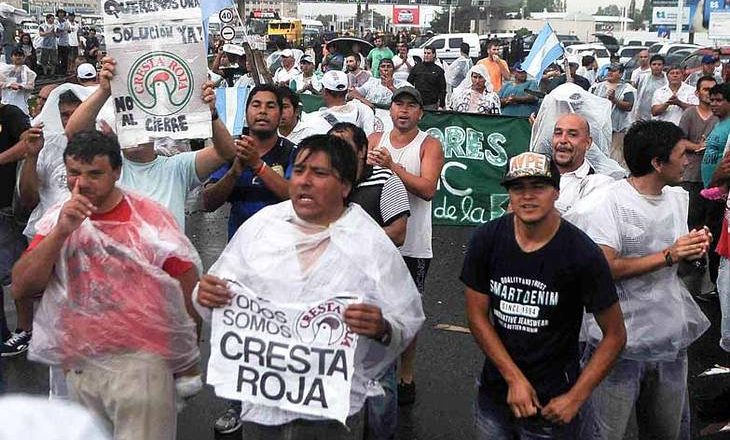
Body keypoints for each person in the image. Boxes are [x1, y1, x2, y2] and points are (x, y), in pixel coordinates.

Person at [196, 134, 425, 439]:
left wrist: (382, 327)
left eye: (318, 173)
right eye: (299, 170)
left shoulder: (369, 244)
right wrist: (208, 295)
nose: (304, 181)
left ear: (344, 186)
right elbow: (219, 296)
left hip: (332, 411)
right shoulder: (263, 228)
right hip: (264, 402)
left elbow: (405, 321)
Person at [12, 129, 202, 440]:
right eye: (74, 173)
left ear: (116, 171)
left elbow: (186, 287)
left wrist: (187, 355)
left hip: (141, 366)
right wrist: (61, 233)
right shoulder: (58, 219)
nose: (82, 183)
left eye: (94, 173)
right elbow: (22, 286)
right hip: (79, 365)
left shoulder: (149, 219)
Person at [462, 150, 625, 438]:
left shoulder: (582, 253)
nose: (528, 196)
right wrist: (514, 379)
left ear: (556, 192)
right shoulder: (486, 239)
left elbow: (614, 335)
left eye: (538, 186)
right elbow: (477, 315)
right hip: (495, 392)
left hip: (554, 401)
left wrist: (575, 398)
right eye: (518, 188)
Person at [567, 120, 712, 439]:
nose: (687, 161)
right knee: (604, 433)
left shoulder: (676, 199)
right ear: (657, 163)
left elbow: (680, 270)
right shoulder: (609, 203)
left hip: (669, 337)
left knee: (666, 432)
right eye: (681, 154)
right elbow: (602, 268)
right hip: (617, 342)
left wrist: (694, 252)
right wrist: (669, 254)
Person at [329, 122, 409, 440]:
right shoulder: (327, 183)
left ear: (363, 151)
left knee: (379, 385)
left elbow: (399, 233)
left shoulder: (386, 180)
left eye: (345, 146)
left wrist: (351, 239)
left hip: (377, 299)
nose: (337, 153)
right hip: (334, 298)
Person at [367, 86, 444, 405]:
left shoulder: (429, 145)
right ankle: (370, 369)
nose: (403, 110)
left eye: (411, 106)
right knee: (371, 308)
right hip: (375, 242)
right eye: (398, 104)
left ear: (420, 114)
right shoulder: (373, 140)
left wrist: (391, 167)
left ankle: (406, 374)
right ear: (390, 109)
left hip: (413, 245)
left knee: (408, 314)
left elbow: (427, 189)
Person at [0, 102, 32, 359]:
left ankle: (25, 330)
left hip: (6, 209)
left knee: (19, 275)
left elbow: (30, 142)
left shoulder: (9, 113)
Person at [679, 77, 719, 254]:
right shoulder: (689, 114)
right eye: (705, 89)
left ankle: (707, 253)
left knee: (710, 219)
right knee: (692, 218)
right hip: (692, 174)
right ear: (697, 92)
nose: (709, 93)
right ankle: (693, 256)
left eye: (712, 89)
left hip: (713, 177)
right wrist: (697, 147)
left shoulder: (720, 116)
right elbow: (680, 140)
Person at [551, 114, 615, 214]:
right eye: (558, 133)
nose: (563, 140)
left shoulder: (597, 186)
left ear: (588, 143)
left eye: (572, 135)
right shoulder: (535, 174)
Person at [591, 64, 635, 166]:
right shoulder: (597, 87)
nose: (610, 73)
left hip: (617, 130)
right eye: (609, 70)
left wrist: (614, 100)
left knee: (616, 157)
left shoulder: (627, 89)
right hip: (599, 129)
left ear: (620, 74)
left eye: (614, 71)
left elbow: (629, 106)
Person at [312, 70, 375, 134]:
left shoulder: (315, 119)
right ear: (347, 90)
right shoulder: (364, 109)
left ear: (324, 91)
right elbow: (371, 138)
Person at [407, 46, 446, 110]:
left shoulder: (438, 70)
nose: (426, 55)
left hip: (432, 104)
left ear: (433, 55)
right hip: (417, 103)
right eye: (425, 53)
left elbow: (442, 89)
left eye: (428, 53)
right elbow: (409, 83)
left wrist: (441, 105)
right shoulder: (417, 68)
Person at [0, 49, 37, 116]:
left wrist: (21, 87)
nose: (18, 57)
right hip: (5, 101)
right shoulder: (4, 70)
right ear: (11, 57)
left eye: (20, 55)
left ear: (24, 57)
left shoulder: (30, 73)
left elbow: (31, 87)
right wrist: (9, 85)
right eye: (15, 55)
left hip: (20, 103)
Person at [634, 55, 667, 121]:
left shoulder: (667, 79)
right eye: (654, 64)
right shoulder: (643, 78)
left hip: (661, 115)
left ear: (663, 66)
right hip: (644, 116)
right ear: (650, 65)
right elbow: (638, 95)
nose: (656, 66)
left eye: (659, 64)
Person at [55, 9, 70, 76]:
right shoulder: (55, 21)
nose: (61, 14)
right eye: (59, 13)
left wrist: (64, 30)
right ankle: (58, 71)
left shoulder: (66, 22)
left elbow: (68, 30)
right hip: (57, 43)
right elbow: (57, 30)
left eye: (62, 13)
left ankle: (64, 71)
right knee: (58, 58)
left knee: (65, 58)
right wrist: (63, 30)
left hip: (65, 42)